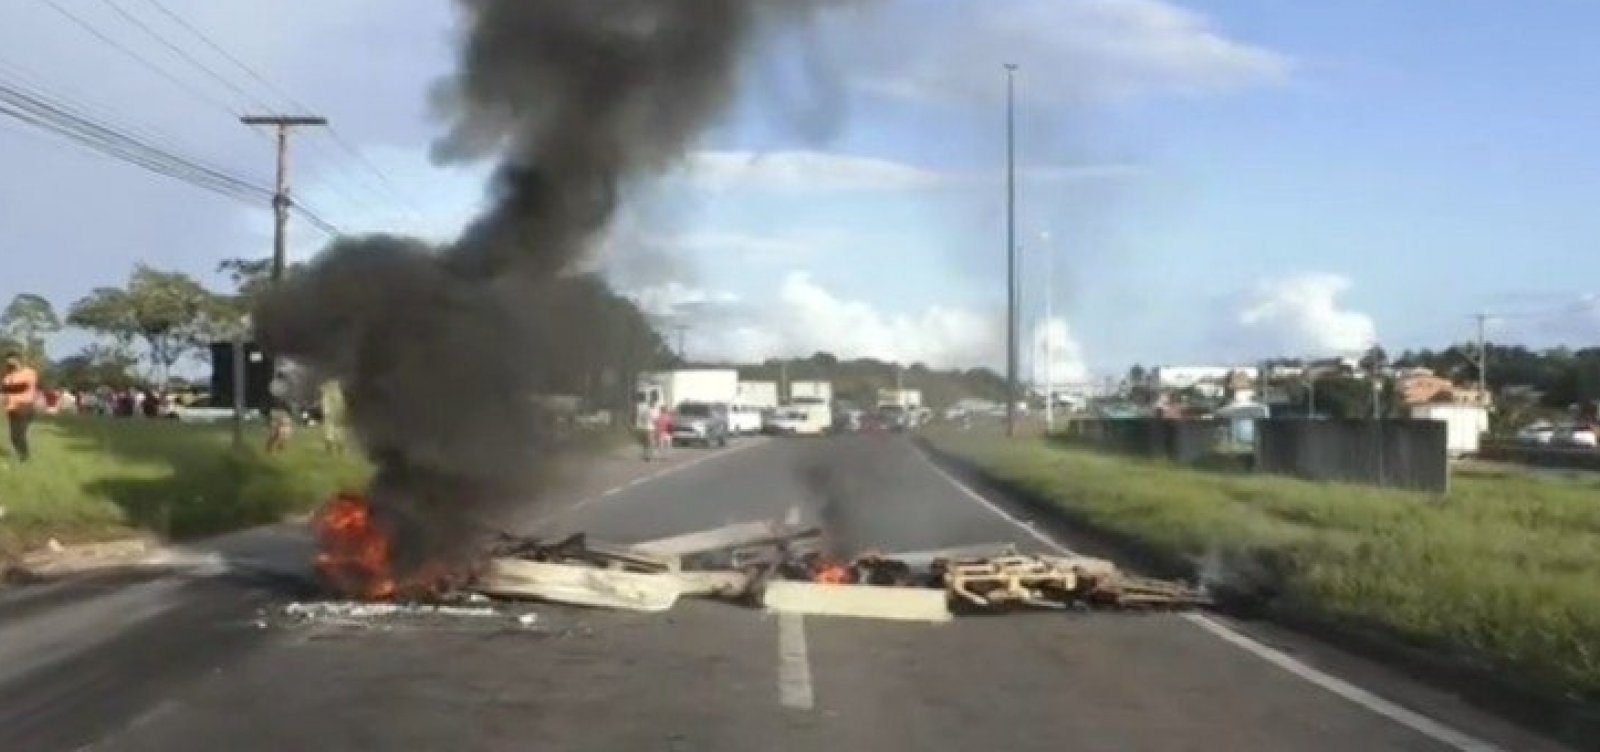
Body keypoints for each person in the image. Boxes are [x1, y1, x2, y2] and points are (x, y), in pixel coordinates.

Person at [2, 351, 39, 462]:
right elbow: (4, 390)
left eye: (11, 359)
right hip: (11, 408)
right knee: (13, 436)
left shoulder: (29, 372)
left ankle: (24, 456)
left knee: (19, 434)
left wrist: (7, 388)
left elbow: (22, 387)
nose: (9, 362)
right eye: (8, 361)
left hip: (24, 407)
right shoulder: (8, 376)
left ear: (18, 360)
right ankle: (21, 454)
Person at [319, 379, 348, 455]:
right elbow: (341, 403)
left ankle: (333, 447)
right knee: (337, 429)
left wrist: (326, 411)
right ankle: (338, 447)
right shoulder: (338, 392)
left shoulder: (328, 393)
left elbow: (326, 403)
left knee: (331, 430)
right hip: (337, 413)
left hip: (333, 414)